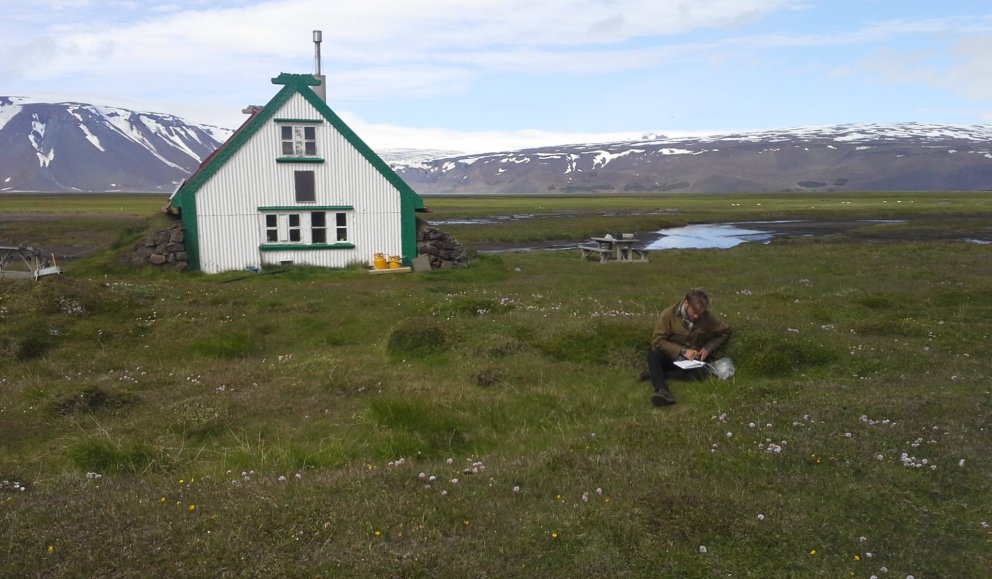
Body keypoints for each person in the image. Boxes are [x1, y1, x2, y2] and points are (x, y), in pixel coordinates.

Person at [644, 288, 732, 407]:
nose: (696, 316)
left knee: (704, 374)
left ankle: (655, 375)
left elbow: (725, 332)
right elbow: (658, 340)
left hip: (691, 361)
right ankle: (662, 391)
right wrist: (682, 351)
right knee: (653, 356)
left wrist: (708, 348)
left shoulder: (706, 317)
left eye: (700, 313)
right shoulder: (668, 315)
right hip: (670, 357)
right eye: (694, 311)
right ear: (686, 303)